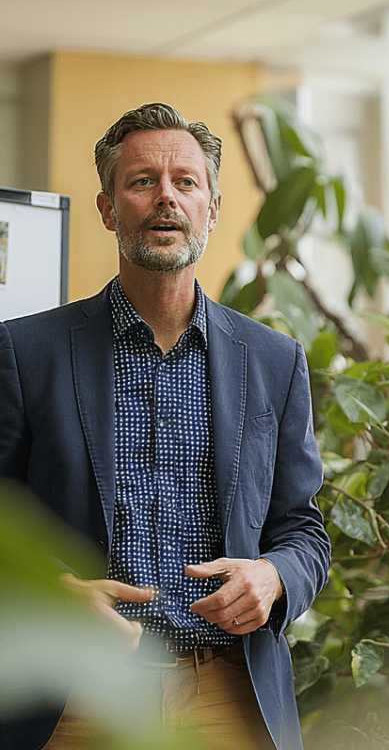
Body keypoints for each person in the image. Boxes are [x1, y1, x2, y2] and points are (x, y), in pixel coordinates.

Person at [0, 103, 330, 750]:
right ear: (107, 208)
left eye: (185, 181)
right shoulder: (23, 353)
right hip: (73, 697)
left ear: (211, 206)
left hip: (229, 695)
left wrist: (275, 577)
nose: (165, 198)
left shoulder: (274, 361)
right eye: (142, 180)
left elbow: (301, 529)